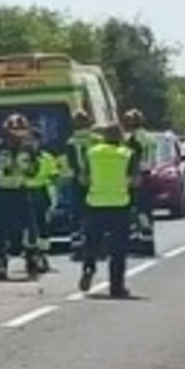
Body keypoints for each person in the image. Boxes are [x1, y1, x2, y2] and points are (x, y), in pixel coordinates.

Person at [79, 122, 137, 297]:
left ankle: (89, 267)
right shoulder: (127, 155)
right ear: (120, 137)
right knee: (118, 249)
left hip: (95, 202)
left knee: (92, 241)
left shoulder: (92, 153)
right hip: (119, 204)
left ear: (103, 137)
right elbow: (135, 180)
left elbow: (83, 178)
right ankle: (116, 287)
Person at [0, 113, 41, 281]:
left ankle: (31, 260)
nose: (18, 135)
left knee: (30, 227)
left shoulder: (29, 148)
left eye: (21, 131)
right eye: (14, 131)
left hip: (21, 191)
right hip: (2, 192)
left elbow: (34, 168)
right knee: (1, 229)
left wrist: (29, 172)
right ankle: (1, 265)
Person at [59, 110, 101, 259]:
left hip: (77, 179)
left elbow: (71, 163)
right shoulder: (97, 139)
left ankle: (77, 247)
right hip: (96, 179)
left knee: (77, 214)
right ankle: (97, 246)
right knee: (95, 213)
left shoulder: (71, 142)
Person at [120, 108, 156, 250]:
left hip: (136, 175)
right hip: (149, 173)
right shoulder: (150, 137)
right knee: (146, 207)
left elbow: (131, 158)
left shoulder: (131, 139)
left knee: (133, 207)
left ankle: (136, 239)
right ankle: (147, 238)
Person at [26, 127, 60, 273]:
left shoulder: (46, 157)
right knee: (28, 227)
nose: (31, 143)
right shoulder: (21, 157)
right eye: (28, 140)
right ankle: (30, 256)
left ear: (39, 142)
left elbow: (53, 176)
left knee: (43, 226)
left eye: (34, 140)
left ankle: (43, 255)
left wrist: (53, 197)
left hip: (41, 193)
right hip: (25, 193)